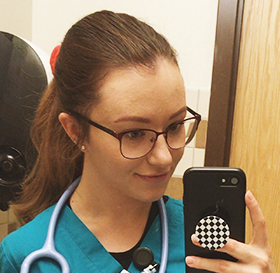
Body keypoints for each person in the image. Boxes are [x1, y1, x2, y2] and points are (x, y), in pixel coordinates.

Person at [0, 10, 276, 273]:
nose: (164, 157)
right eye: (134, 134)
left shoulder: (207, 242)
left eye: (175, 125)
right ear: (75, 130)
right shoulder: (25, 256)